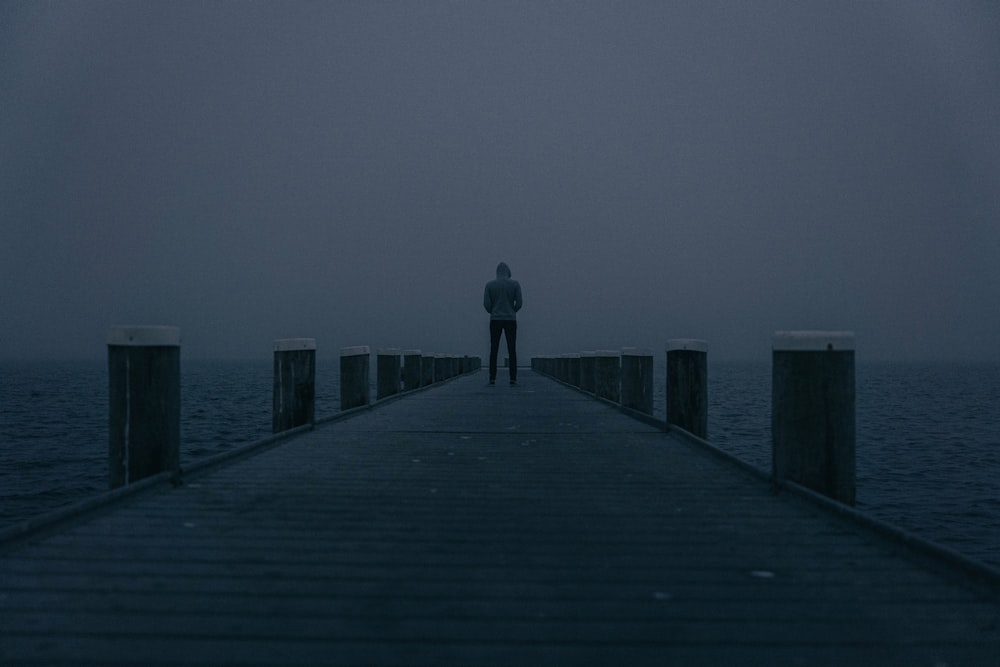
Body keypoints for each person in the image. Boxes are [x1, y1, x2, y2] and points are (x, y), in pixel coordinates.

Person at [483, 261, 522, 385]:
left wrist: (493, 311)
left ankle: (492, 377)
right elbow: (519, 303)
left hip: (495, 319)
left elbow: (486, 304)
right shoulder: (515, 284)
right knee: (512, 349)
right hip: (510, 319)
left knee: (494, 348)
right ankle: (513, 377)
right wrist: (512, 311)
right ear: (508, 272)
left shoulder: (490, 285)